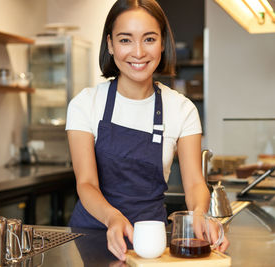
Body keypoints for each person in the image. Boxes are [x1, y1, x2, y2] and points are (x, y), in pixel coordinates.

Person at [66, 0, 229, 261]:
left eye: (149, 39)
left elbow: (195, 183)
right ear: (110, 44)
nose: (139, 52)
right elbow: (86, 184)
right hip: (94, 236)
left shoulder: (181, 108)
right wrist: (113, 218)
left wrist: (200, 214)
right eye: (126, 40)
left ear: (162, 43)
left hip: (151, 243)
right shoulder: (85, 104)